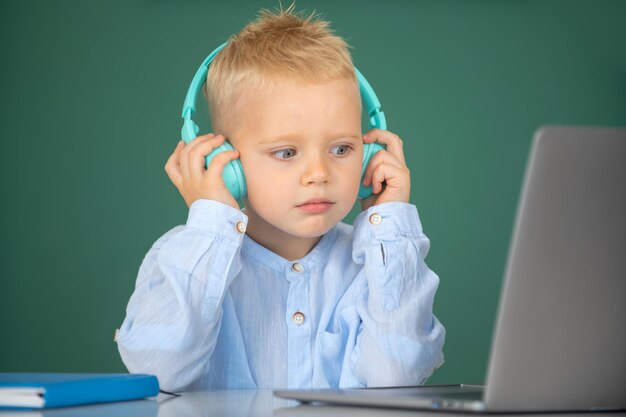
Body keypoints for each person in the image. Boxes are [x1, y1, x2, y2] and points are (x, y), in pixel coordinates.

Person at [116, 4, 445, 392]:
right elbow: (159, 373)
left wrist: (390, 222)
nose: (319, 174)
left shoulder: (376, 261)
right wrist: (209, 222)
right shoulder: (182, 256)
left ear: (370, 153)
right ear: (225, 163)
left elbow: (396, 377)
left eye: (341, 149)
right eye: (286, 152)